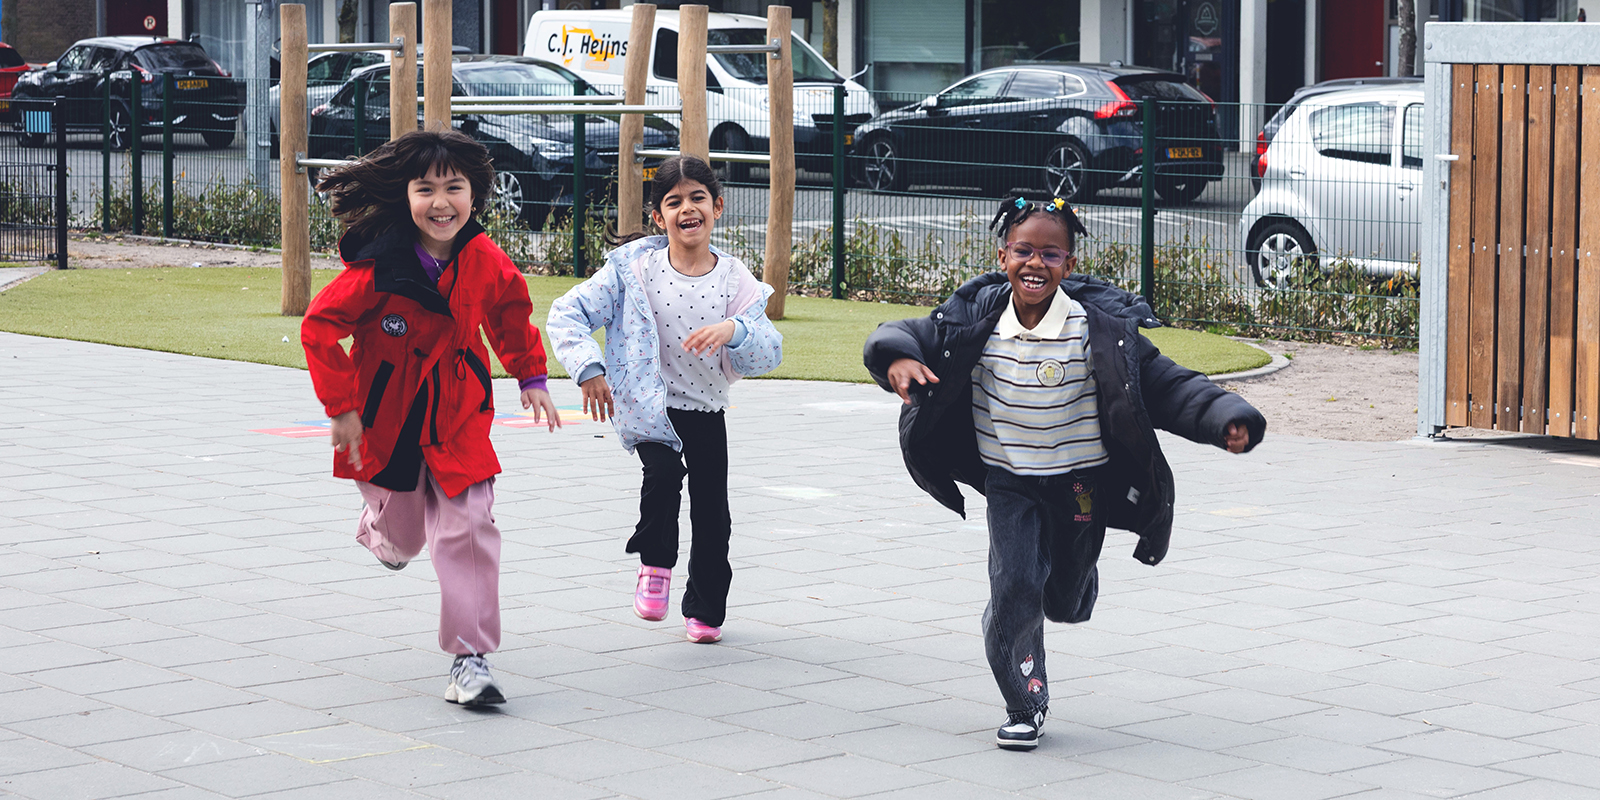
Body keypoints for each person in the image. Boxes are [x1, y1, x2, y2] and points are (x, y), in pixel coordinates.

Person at [863, 196, 1265, 750]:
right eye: (1023, 251)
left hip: (1079, 483)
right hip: (1008, 481)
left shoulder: (1097, 329)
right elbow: (902, 332)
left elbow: (1168, 384)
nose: (1035, 263)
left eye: (1051, 254)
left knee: (1065, 601)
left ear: (1069, 265)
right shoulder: (974, 317)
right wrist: (895, 358)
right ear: (1003, 255)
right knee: (1015, 586)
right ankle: (1023, 703)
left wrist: (1225, 416)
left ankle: (1073, 581)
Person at [301, 129, 560, 707]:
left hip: (460, 417)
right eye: (426, 189)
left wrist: (531, 375)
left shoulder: (485, 259)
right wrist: (340, 406)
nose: (441, 202)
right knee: (406, 538)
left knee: (470, 527)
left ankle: (470, 658)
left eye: (454, 188)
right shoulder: (376, 268)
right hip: (385, 426)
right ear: (405, 196)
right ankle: (380, 533)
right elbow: (319, 328)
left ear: (475, 195)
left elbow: (511, 312)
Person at [546, 155, 782, 644]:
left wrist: (735, 330)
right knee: (662, 477)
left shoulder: (736, 280)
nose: (687, 209)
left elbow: (768, 352)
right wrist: (589, 369)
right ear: (658, 217)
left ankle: (705, 608)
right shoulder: (633, 272)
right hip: (650, 410)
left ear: (717, 207)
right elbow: (566, 314)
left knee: (712, 512)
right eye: (673, 202)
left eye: (698, 198)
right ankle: (655, 565)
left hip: (705, 411)